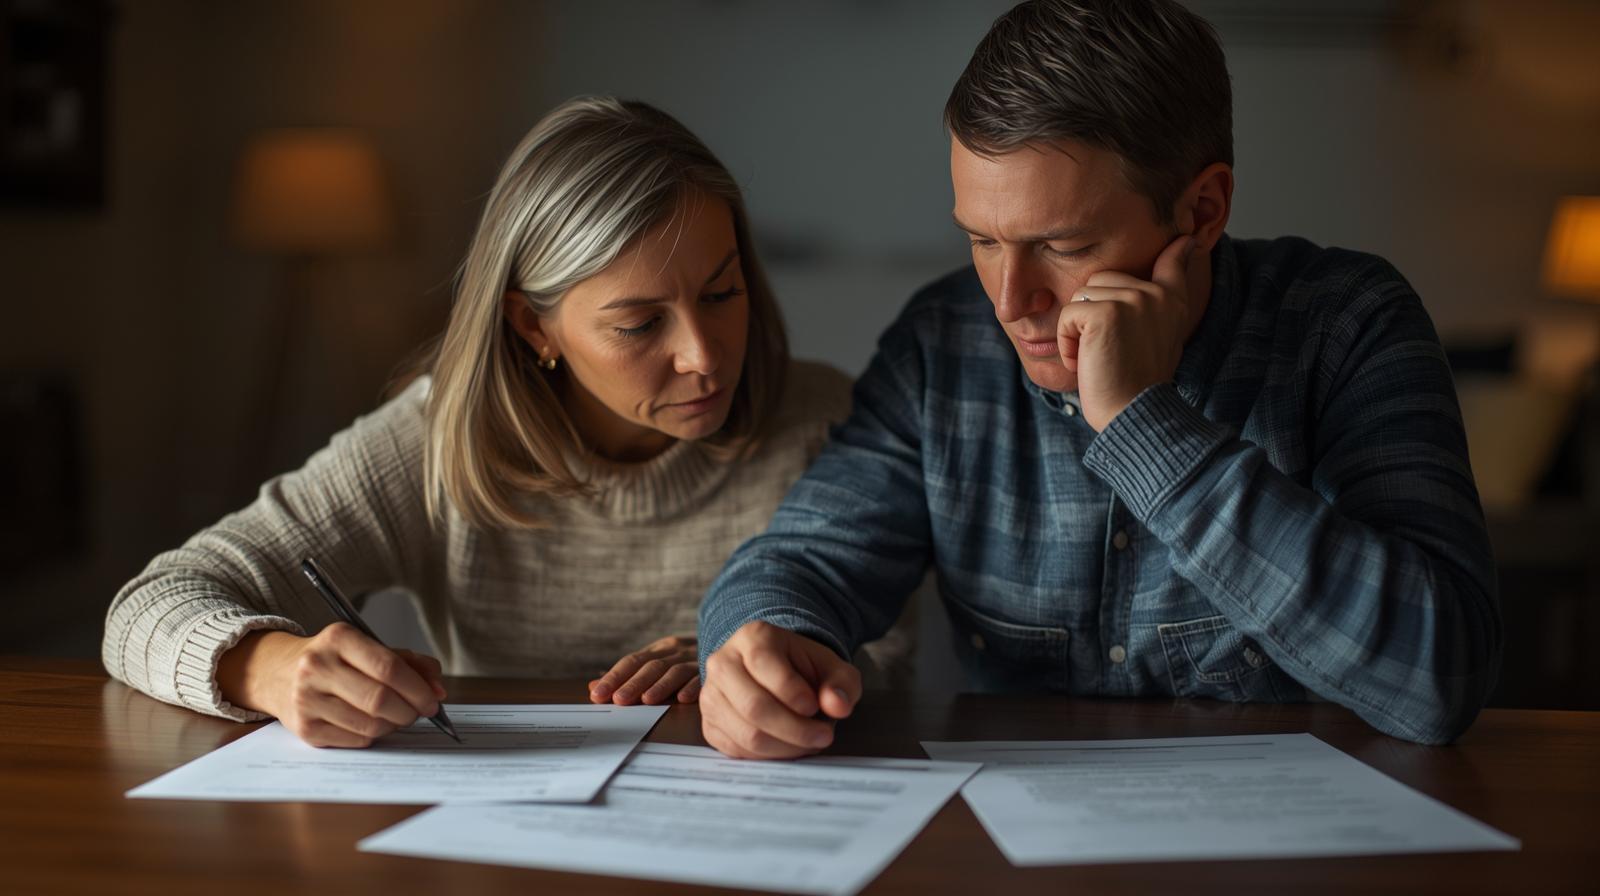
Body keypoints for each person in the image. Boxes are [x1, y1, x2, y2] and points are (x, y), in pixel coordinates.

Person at [696, 0, 1502, 757]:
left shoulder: (1348, 324)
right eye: (981, 240)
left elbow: (1441, 679)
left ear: (1202, 211)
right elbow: (806, 557)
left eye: (1065, 245)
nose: (1012, 303)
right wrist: (760, 642)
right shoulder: (942, 345)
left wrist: (1142, 424)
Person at [103, 96, 910, 748]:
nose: (704, 355)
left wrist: (765, 659)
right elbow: (150, 603)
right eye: (639, 325)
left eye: (723, 292)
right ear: (533, 328)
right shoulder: (434, 444)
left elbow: (886, 655)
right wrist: (269, 668)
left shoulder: (824, 420)